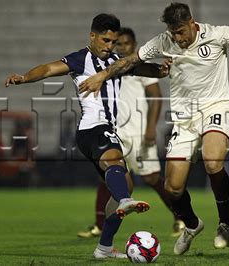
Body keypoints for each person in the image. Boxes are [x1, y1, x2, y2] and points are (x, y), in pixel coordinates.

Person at [79, 2, 229, 255]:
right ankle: (193, 225)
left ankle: (225, 223)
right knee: (172, 188)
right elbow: (129, 61)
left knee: (212, 161)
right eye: (173, 33)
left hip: (216, 108)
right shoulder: (163, 41)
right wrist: (102, 75)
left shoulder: (218, 34)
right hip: (184, 120)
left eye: (181, 32)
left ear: (192, 23)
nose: (177, 38)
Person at [4, 13, 170, 259]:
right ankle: (125, 199)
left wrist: (162, 70)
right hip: (92, 127)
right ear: (92, 36)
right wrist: (24, 77)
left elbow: (143, 69)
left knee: (126, 183)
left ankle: (104, 247)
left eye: (112, 41)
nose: (108, 46)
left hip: (106, 129)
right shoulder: (80, 59)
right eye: (104, 40)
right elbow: (49, 68)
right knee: (117, 168)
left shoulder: (116, 61)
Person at [77, 27, 185, 239]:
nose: (123, 47)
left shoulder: (139, 68)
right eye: (119, 44)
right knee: (109, 176)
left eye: (127, 44)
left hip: (139, 132)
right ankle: (99, 225)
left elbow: (155, 98)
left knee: (153, 178)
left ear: (134, 46)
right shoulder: (107, 68)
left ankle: (180, 217)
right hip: (114, 132)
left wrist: (151, 128)